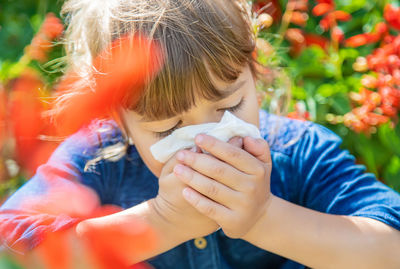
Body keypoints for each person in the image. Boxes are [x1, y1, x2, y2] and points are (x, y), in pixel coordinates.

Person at [1, 0, 400, 268]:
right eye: (167, 128)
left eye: (228, 107)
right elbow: (14, 247)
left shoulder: (300, 152)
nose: (206, 139)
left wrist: (262, 218)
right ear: (117, 120)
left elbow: (390, 247)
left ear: (254, 74)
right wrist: (164, 221)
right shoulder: (98, 159)